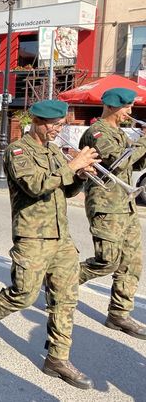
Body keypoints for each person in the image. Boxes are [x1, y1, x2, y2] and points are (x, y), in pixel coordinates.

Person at [0, 100, 98, 390]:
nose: (57, 130)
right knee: (23, 295)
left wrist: (79, 177)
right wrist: (72, 166)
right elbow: (35, 185)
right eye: (54, 125)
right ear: (38, 122)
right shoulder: (18, 150)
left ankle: (57, 358)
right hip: (32, 237)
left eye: (61, 125)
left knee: (66, 298)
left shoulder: (53, 150)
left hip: (61, 237)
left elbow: (62, 188)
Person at [78, 88, 146, 339]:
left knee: (131, 261)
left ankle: (119, 314)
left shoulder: (120, 132)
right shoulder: (97, 132)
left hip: (125, 204)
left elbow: (136, 164)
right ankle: (61, 282)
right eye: (126, 107)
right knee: (108, 260)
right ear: (111, 107)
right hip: (106, 205)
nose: (130, 112)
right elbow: (118, 161)